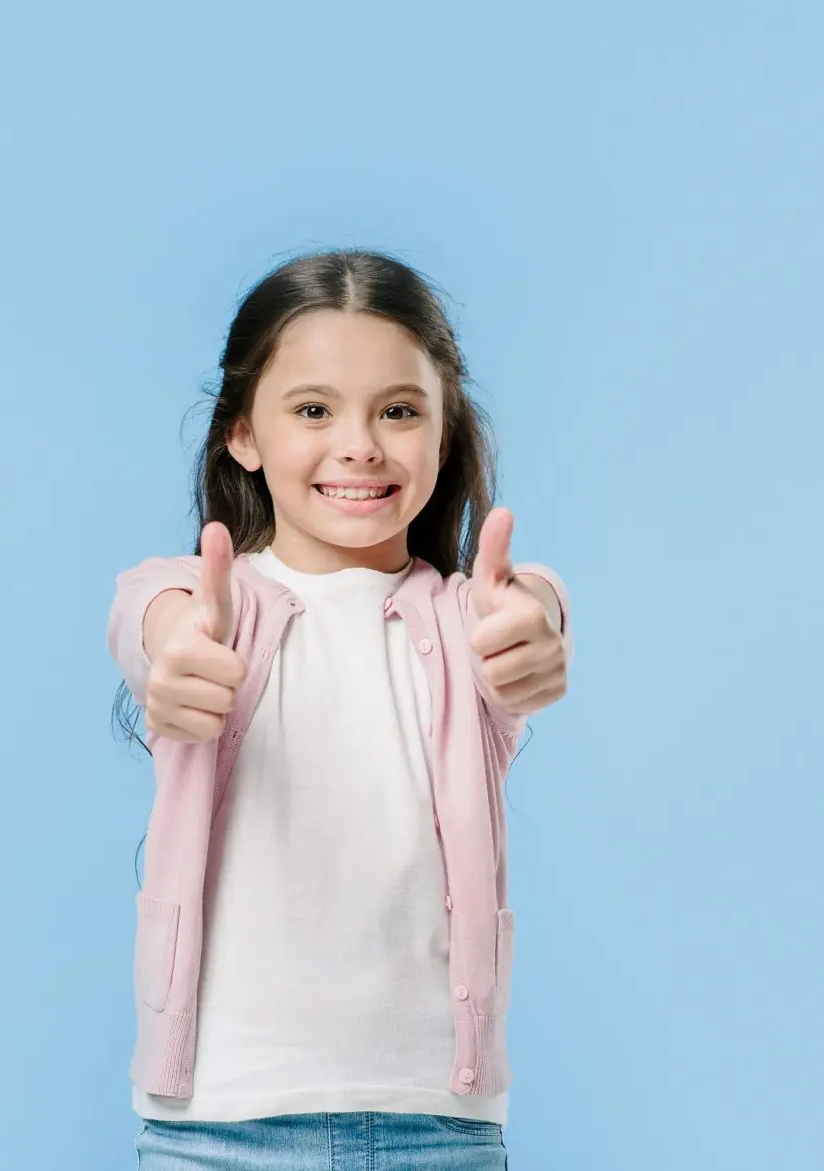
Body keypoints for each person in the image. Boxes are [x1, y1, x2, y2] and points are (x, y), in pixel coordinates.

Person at [106, 249, 573, 1170]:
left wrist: (541, 620)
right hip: (214, 1131)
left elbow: (533, 605)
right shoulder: (201, 607)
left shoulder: (468, 620)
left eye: (399, 411)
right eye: (313, 409)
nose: (359, 443)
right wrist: (175, 650)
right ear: (243, 432)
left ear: (444, 434)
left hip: (439, 1131)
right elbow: (147, 613)